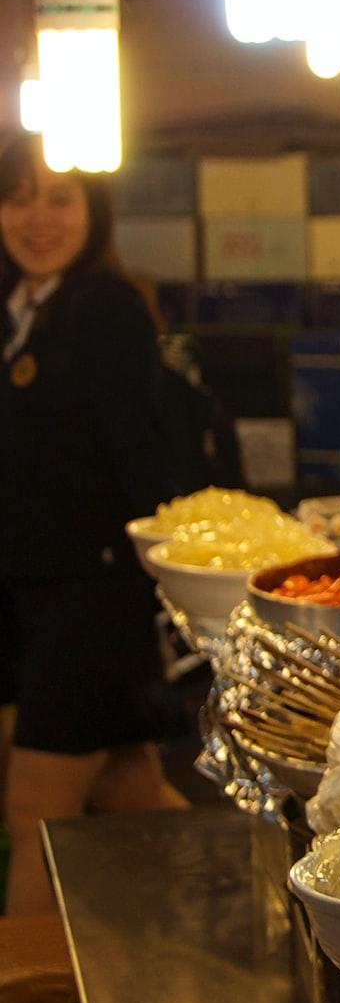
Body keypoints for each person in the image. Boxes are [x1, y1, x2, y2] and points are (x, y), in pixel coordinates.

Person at [0, 135, 189, 914]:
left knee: (35, 812)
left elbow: (142, 455)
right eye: (18, 197)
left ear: (96, 211)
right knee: (130, 791)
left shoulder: (105, 309)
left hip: (92, 595)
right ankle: (235, 922)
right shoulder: (19, 308)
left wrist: (163, 585)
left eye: (62, 198)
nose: (39, 219)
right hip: (28, 592)